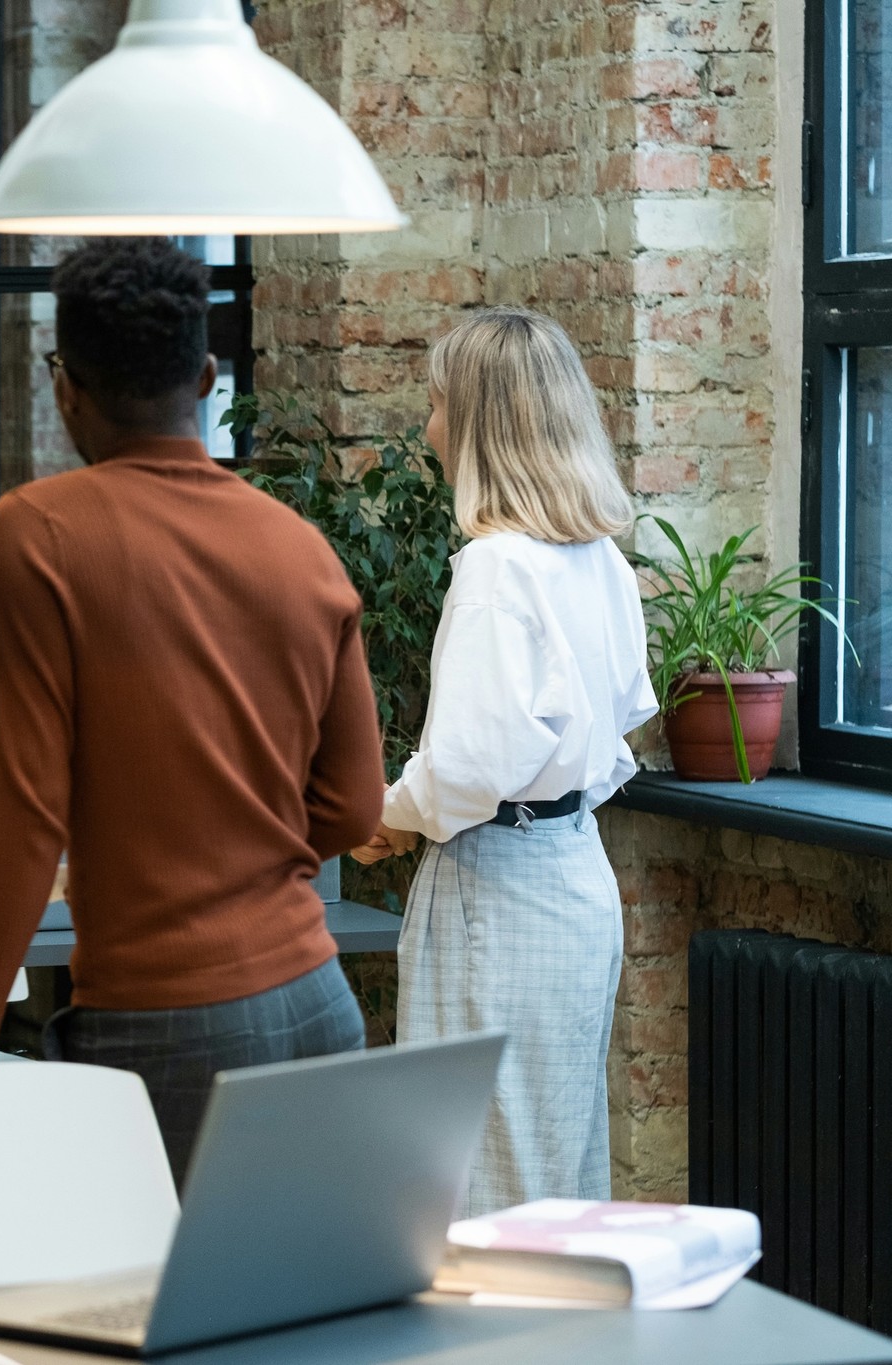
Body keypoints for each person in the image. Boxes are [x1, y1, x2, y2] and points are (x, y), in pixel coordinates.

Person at [0, 238, 388, 1181]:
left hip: (165, 1022)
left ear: (65, 385)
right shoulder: (301, 547)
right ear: (202, 375)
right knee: (294, 1313)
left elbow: (29, 802)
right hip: (317, 1002)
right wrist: (232, 849)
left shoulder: (39, 530)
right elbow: (357, 808)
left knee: (143, 1317)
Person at [351, 306, 656, 1218]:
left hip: (500, 887)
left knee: (483, 1187)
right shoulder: (597, 556)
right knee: (558, 1170)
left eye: (439, 403)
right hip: (575, 873)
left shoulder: (495, 568)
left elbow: (468, 767)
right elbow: (622, 724)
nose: (428, 426)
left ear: (481, 421)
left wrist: (387, 812)